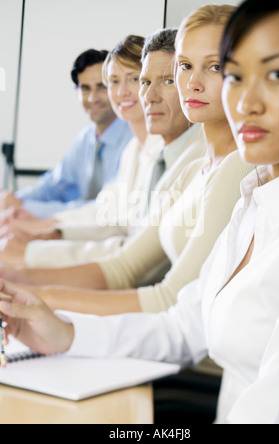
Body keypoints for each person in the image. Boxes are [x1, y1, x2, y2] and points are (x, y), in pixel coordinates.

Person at [1, 0, 279, 424]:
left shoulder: (250, 185)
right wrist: (61, 330)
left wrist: (36, 272)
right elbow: (184, 325)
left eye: (277, 74)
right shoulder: (254, 199)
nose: (245, 100)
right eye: (235, 74)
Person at [0, 12, 253, 319]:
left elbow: (169, 296)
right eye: (185, 67)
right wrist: (21, 285)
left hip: (185, 345)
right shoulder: (191, 167)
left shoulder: (237, 166)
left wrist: (35, 286)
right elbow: (125, 262)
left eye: (214, 67)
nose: (194, 83)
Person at [0, 36, 164, 266]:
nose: (121, 91)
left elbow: (122, 231)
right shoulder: (122, 147)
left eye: (134, 79)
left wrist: (44, 229)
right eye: (114, 81)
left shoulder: (148, 146)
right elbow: (59, 186)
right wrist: (18, 204)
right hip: (101, 245)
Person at [0, 49, 133, 219]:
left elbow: (104, 209)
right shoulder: (85, 139)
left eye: (101, 87)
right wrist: (12, 200)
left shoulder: (133, 139)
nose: (93, 98)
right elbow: (53, 185)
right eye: (85, 88)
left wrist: (25, 207)